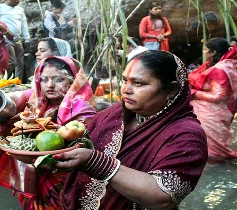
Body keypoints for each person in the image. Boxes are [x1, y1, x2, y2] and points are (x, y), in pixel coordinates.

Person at [46, 50, 207, 209]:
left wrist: (95, 162)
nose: (126, 90)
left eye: (138, 83)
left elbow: (164, 197)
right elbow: (81, 146)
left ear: (171, 90)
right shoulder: (113, 114)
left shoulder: (186, 134)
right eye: (125, 81)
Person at [0, 56, 97, 209]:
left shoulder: (83, 110)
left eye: (58, 79)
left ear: (73, 81)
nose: (49, 85)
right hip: (35, 174)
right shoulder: (36, 102)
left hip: (65, 179)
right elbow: (3, 106)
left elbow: (83, 147)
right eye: (44, 80)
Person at [189, 37, 237, 163]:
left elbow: (218, 96)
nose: (204, 52)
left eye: (206, 49)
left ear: (213, 52)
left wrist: (194, 93)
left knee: (212, 153)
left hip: (211, 113)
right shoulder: (224, 65)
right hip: (214, 111)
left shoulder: (220, 69)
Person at [0, 0, 31, 83]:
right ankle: (3, 81)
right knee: (11, 63)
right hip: (5, 39)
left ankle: (17, 82)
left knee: (20, 63)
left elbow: (23, 24)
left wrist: (26, 38)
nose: (18, 1)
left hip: (17, 39)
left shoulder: (20, 9)